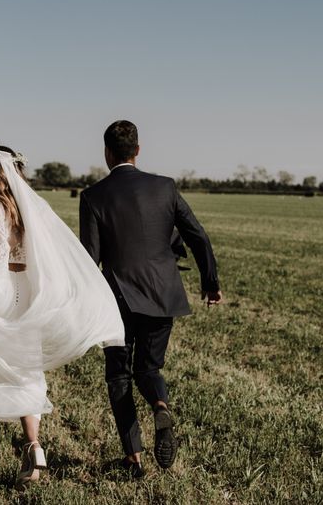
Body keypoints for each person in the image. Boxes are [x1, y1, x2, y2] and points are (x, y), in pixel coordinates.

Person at [0, 144, 124, 487]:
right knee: (23, 364)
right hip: (28, 289)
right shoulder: (31, 206)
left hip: (2, 289)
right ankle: (29, 444)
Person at [79, 120, 224, 478]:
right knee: (150, 368)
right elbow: (198, 237)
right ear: (138, 150)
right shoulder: (165, 187)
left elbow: (89, 259)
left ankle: (134, 459)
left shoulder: (94, 196)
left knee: (119, 377)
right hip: (164, 292)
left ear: (107, 153)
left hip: (118, 299)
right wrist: (211, 282)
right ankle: (160, 403)